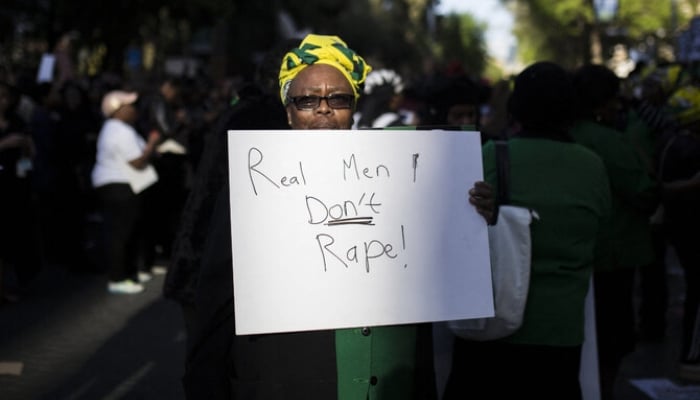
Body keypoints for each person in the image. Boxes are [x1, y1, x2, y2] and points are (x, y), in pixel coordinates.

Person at [182, 33, 494, 400]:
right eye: (307, 100)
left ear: (353, 108)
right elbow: (214, 308)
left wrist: (473, 212)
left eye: (339, 99)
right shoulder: (250, 190)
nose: (324, 109)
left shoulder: (399, 173)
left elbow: (435, 262)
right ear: (288, 111)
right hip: (287, 378)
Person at [443, 61, 612, 399]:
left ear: (517, 107)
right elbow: (602, 244)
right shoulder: (592, 166)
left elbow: (456, 233)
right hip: (561, 332)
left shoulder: (494, 155)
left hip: (494, 330)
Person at [569, 64, 660, 400]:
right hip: (612, 256)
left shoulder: (566, 134)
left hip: (579, 257)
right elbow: (644, 190)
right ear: (601, 103)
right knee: (609, 345)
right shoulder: (607, 140)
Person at [91, 90, 160, 294]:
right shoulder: (120, 130)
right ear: (117, 109)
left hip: (118, 185)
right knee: (121, 233)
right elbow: (138, 161)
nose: (134, 109)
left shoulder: (116, 128)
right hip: (119, 186)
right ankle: (118, 278)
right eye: (129, 105)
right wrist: (153, 144)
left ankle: (127, 274)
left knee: (124, 231)